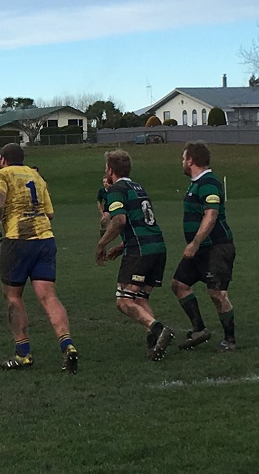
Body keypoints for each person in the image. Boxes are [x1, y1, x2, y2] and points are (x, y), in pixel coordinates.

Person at [0, 143, 78, 372]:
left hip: (18, 240)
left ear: (2, 159)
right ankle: (67, 345)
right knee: (48, 296)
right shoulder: (37, 176)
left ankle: (22, 354)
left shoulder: (1, 174)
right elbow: (50, 213)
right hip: (45, 239)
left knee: (13, 296)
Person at [95, 149, 174, 361]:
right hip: (158, 248)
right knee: (139, 297)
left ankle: (157, 328)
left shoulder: (116, 189)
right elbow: (141, 223)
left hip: (140, 252)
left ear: (110, 170)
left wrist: (102, 244)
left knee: (123, 301)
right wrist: (120, 248)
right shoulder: (139, 187)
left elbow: (119, 221)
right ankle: (155, 340)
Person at [170, 141, 238, 353]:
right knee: (179, 284)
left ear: (191, 160)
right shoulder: (196, 183)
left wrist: (195, 242)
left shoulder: (208, 181)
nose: (182, 162)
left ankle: (230, 340)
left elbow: (211, 214)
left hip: (216, 247)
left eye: (183, 158)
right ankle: (199, 329)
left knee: (217, 294)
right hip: (200, 249)